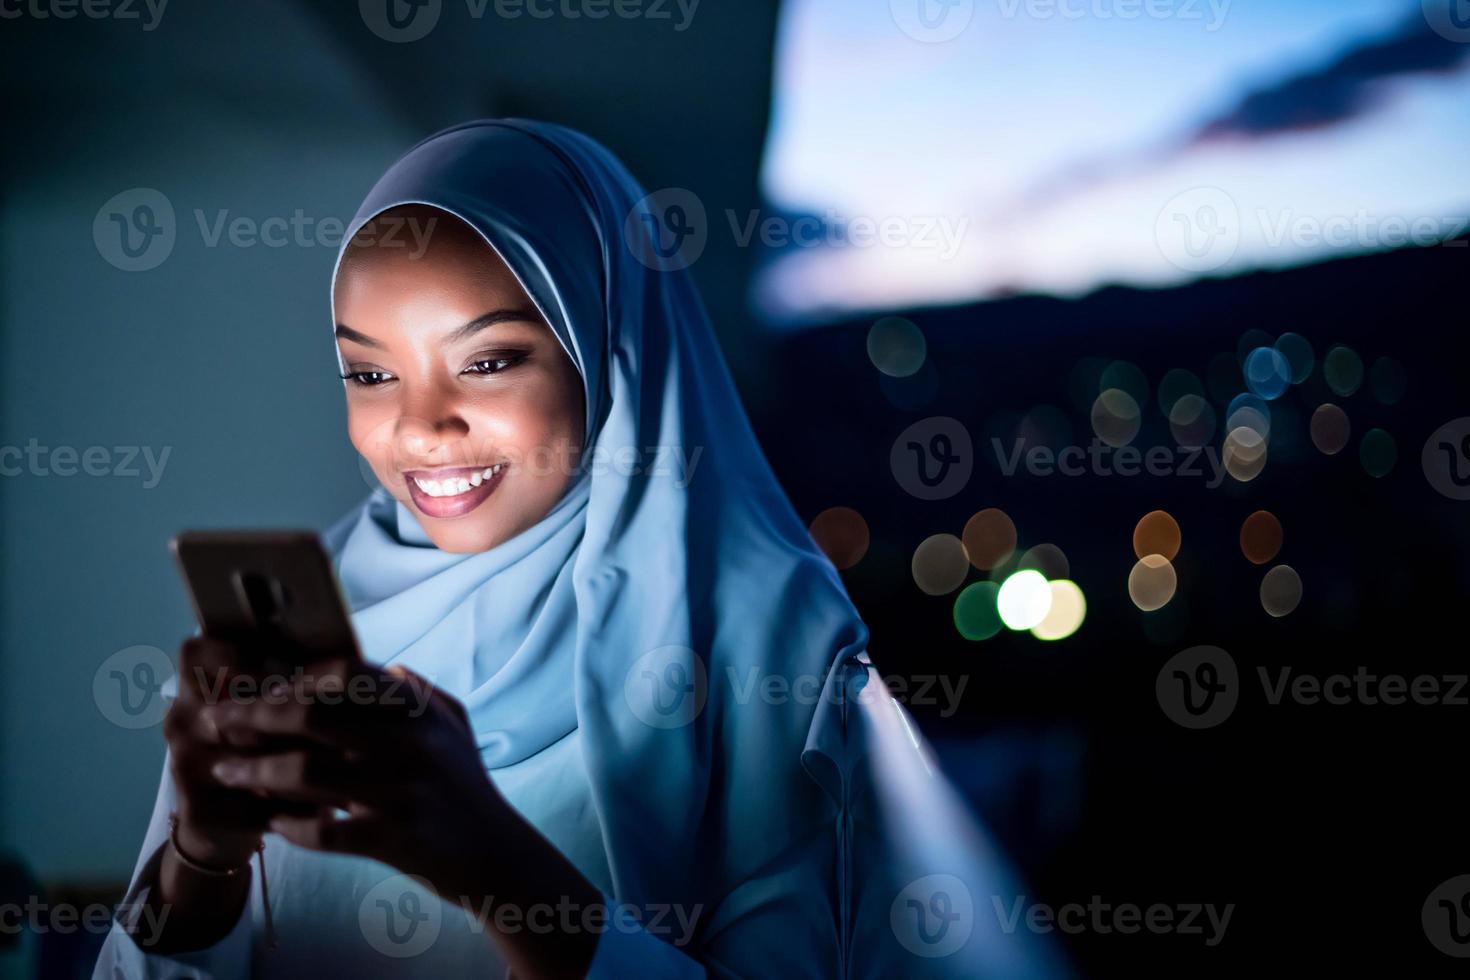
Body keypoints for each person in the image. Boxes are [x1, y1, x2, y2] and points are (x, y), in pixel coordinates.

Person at [94, 120, 1049, 979]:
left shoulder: (770, 646)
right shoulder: (311, 621)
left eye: (489, 360)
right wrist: (201, 857)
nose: (423, 427)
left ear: (612, 349)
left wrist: (493, 866)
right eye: (371, 372)